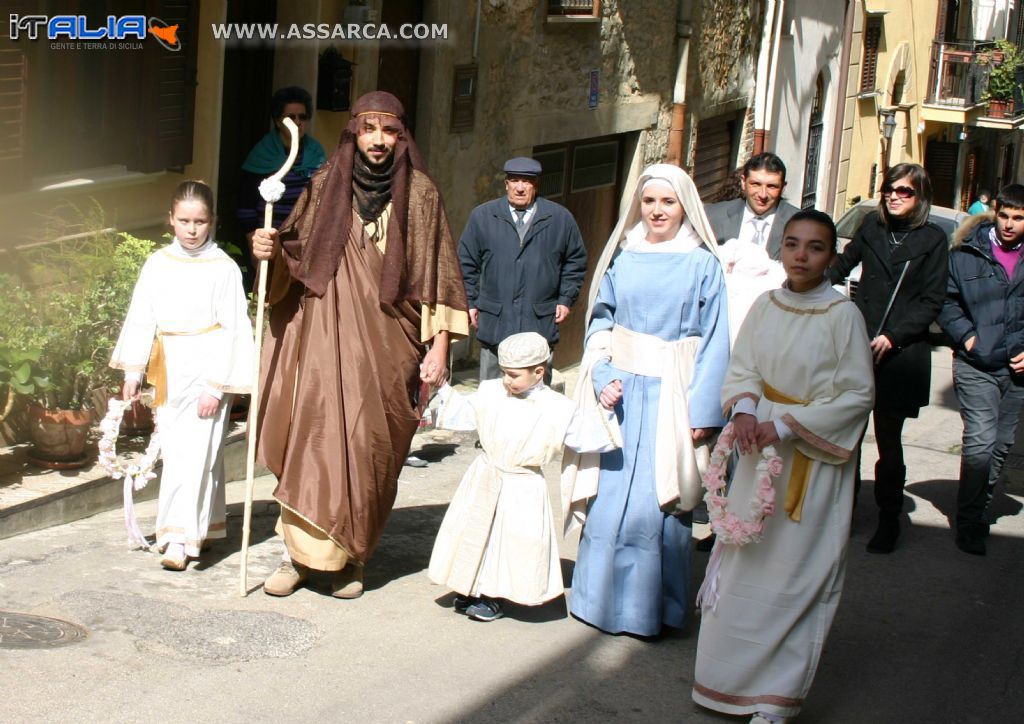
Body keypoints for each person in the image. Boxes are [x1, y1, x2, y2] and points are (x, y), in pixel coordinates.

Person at [251, 91, 469, 599]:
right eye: (368, 129)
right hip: (324, 339)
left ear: (401, 136)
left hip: (390, 346)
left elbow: (438, 273)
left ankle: (351, 560)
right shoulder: (326, 184)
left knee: (370, 449)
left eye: (388, 131)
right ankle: (297, 559)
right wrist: (270, 250)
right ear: (353, 133)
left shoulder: (421, 195)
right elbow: (296, 255)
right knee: (314, 440)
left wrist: (439, 348)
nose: (377, 140)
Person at [693, 210, 874, 724]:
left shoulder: (843, 317)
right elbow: (743, 366)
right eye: (792, 244)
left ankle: (774, 698)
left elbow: (857, 395)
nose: (800, 255)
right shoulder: (765, 307)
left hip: (809, 469)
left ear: (831, 257)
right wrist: (748, 410)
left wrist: (787, 426)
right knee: (746, 569)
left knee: (798, 576)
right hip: (757, 458)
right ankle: (726, 681)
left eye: (814, 247)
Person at [564, 163, 730, 636]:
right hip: (624, 399)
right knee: (612, 499)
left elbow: (718, 340)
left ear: (685, 207)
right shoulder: (624, 256)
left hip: (674, 397)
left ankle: (655, 609)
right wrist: (604, 375)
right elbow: (600, 321)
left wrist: (704, 411)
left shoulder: (702, 263)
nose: (657, 211)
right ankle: (597, 602)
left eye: (668, 202)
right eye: (649, 201)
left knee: (662, 502)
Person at [111, 180, 256, 571]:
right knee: (180, 451)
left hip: (209, 366)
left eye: (200, 221)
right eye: (184, 220)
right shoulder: (158, 263)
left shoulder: (223, 268)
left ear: (212, 222)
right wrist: (134, 368)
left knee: (197, 452)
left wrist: (216, 385)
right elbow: (142, 315)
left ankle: (178, 537)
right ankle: (205, 526)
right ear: (171, 220)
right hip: (171, 365)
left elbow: (235, 329)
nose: (192, 229)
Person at [427, 332, 617, 622]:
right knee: (476, 532)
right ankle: (471, 587)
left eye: (514, 375)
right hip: (486, 474)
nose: (506, 380)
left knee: (511, 543)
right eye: (504, 373)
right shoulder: (491, 392)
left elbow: (586, 433)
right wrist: (441, 387)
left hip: (522, 486)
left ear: (539, 372)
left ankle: (495, 596)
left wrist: (607, 408)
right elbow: (466, 413)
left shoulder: (557, 408)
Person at [828, 163, 948, 554]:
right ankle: (841, 515)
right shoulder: (872, 228)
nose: (893, 196)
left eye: (904, 191)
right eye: (888, 189)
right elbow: (842, 265)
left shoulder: (932, 239)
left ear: (920, 196)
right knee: (847, 439)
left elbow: (933, 300)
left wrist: (894, 337)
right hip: (858, 346)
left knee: (889, 442)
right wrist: (801, 282)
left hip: (900, 353)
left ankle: (888, 519)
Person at [938, 184, 1024, 556]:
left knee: (1002, 444)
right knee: (981, 441)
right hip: (976, 365)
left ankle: (979, 504)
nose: (1009, 224)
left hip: (1018, 370)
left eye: (1018, 219)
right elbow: (944, 301)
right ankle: (970, 521)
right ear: (996, 213)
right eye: (1004, 215)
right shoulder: (965, 254)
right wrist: (967, 337)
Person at [457, 157, 587, 383]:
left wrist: (566, 298)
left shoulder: (559, 218)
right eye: (514, 180)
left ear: (536, 185)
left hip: (538, 322)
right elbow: (465, 262)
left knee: (536, 398)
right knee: (492, 396)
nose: (519, 187)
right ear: (506, 184)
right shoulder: (483, 217)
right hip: (495, 321)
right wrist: (470, 302)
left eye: (526, 181)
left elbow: (575, 261)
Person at [237, 86, 327, 289]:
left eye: (302, 117)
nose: (298, 123)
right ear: (278, 121)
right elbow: (246, 207)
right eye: (291, 117)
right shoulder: (262, 154)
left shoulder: (316, 153)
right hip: (270, 243)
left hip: (304, 244)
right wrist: (254, 247)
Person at [705, 152, 800, 260]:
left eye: (772, 186)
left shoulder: (800, 224)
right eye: (756, 184)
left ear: (783, 187)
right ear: (743, 182)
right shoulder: (712, 216)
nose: (762, 194)